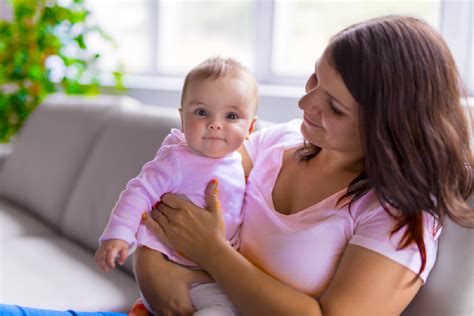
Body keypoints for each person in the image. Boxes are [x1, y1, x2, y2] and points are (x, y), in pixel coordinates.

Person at [138, 15, 474, 315]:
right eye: (315, 79)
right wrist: (148, 266)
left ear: (388, 125)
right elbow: (171, 196)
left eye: (335, 107)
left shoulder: (395, 217)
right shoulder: (274, 143)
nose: (305, 102)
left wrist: (213, 253)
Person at [95, 57, 258, 315]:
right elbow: (139, 191)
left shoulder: (240, 162)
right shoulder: (177, 159)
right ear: (183, 120)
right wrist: (119, 234)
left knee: (225, 309)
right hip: (171, 267)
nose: (216, 124)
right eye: (202, 112)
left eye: (231, 116)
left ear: (250, 127)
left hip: (211, 276)